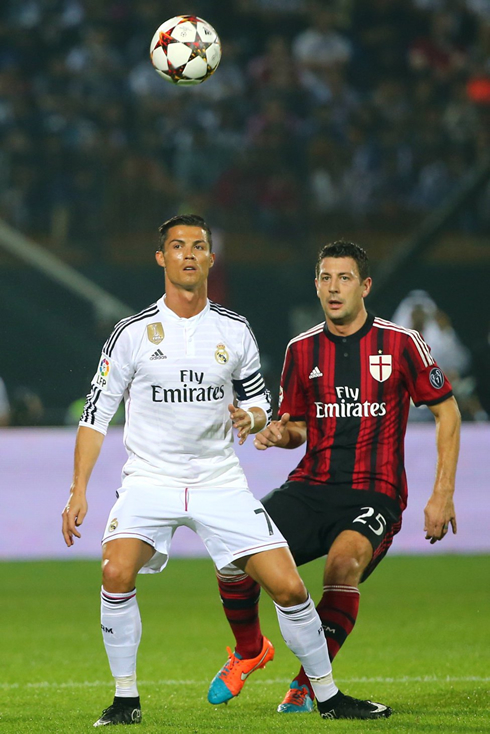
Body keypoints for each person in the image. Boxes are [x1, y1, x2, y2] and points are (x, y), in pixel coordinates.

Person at [61, 216, 391, 727]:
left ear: (212, 259)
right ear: (161, 258)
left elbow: (262, 403)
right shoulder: (130, 334)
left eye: (198, 247)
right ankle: (125, 700)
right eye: (177, 246)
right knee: (115, 571)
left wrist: (253, 416)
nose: (188, 255)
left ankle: (328, 698)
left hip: (219, 480)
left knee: (289, 589)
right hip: (152, 479)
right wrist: (78, 489)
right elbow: (94, 416)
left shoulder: (233, 330)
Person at [208, 240, 460, 713]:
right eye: (325, 278)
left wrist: (441, 494)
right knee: (230, 551)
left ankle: (307, 684)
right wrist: (275, 433)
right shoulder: (300, 349)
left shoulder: (401, 343)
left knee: (342, 566)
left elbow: (448, 412)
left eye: (344, 278)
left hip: (375, 491)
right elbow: (297, 427)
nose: (333, 288)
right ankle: (248, 651)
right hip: (311, 486)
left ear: (364, 286)